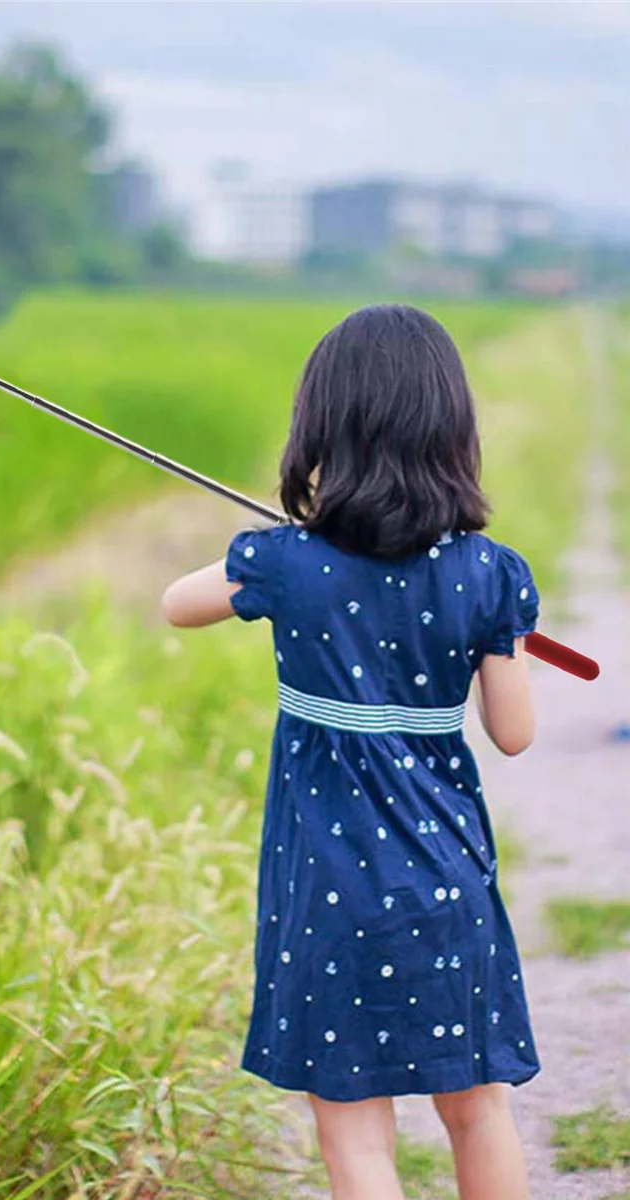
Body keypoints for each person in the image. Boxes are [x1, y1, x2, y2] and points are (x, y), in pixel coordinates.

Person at [161, 305, 537, 1200]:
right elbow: (515, 735)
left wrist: (283, 546)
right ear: (451, 433)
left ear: (323, 431)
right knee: (477, 1110)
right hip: (447, 884)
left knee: (356, 1137)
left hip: (328, 893)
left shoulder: (286, 564)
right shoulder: (490, 572)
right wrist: (512, 629)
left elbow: (178, 602)